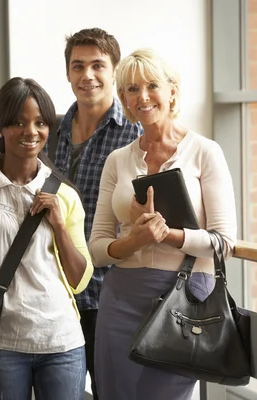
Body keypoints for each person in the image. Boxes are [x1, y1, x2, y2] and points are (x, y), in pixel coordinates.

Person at [88, 48, 236, 400]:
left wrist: (168, 235)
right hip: (120, 297)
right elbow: (96, 248)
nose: (142, 97)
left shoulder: (205, 152)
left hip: (184, 300)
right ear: (123, 99)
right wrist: (135, 241)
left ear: (172, 91)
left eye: (152, 85)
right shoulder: (117, 160)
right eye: (131, 89)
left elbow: (224, 243)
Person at [0, 77, 94, 400]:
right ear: (0, 126)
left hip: (62, 342)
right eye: (18, 122)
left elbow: (79, 279)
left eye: (40, 123)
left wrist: (58, 225)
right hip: (1, 343)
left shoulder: (65, 194)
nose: (31, 132)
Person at [46, 27, 141, 399]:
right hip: (54, 293)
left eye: (98, 65)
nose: (87, 76)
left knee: (113, 391)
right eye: (78, 66)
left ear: (114, 70)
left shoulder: (134, 133)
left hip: (110, 297)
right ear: (67, 73)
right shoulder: (48, 130)